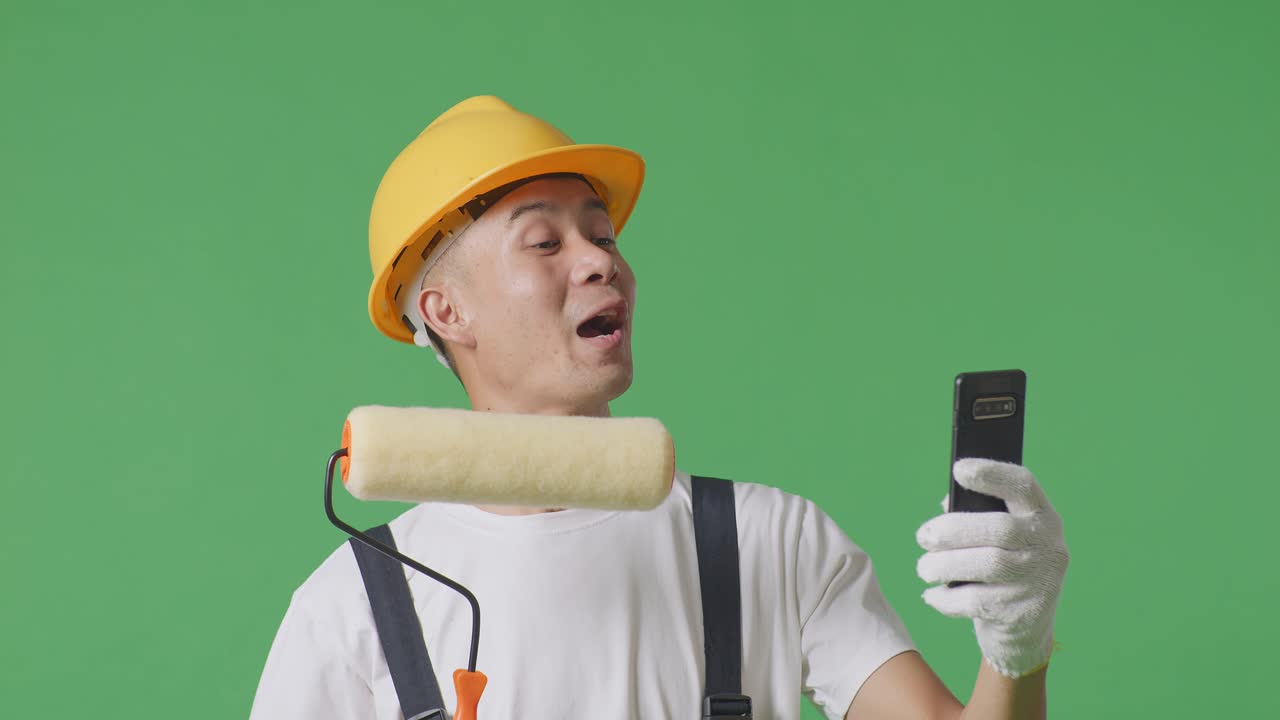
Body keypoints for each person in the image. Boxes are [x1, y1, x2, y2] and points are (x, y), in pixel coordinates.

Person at [249, 96, 1069, 720]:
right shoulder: (352, 607)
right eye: (546, 242)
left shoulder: (770, 544)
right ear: (444, 312)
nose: (601, 263)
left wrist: (1017, 647)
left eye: (602, 235)